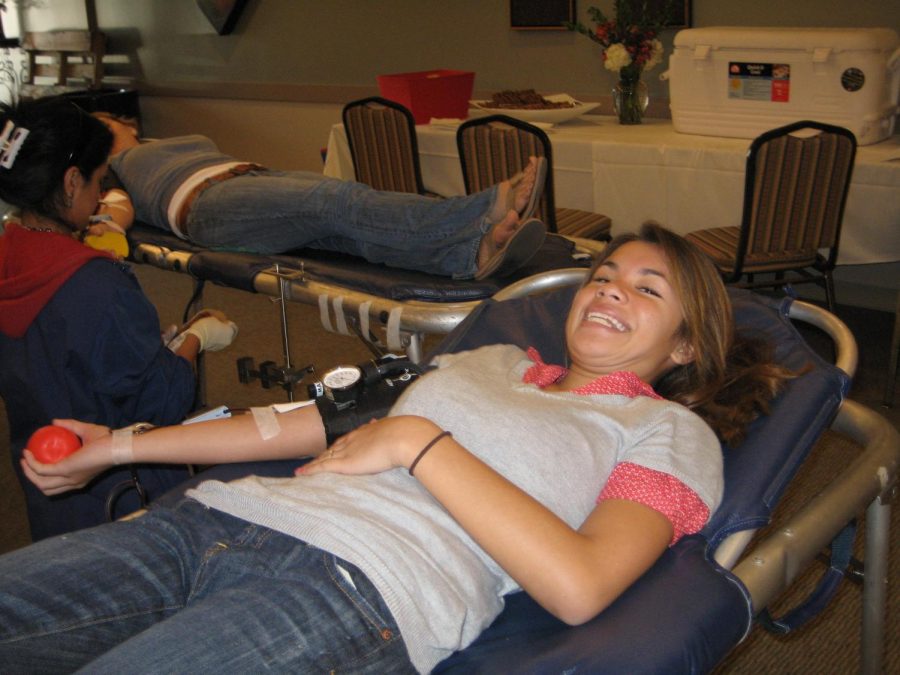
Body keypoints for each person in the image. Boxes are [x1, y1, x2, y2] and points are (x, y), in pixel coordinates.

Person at [2, 224, 792, 673]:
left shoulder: (668, 432)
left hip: (358, 587)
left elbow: (581, 583)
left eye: (648, 289)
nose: (610, 287)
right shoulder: (492, 361)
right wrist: (120, 447)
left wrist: (421, 442)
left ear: (687, 345)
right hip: (211, 522)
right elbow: (304, 419)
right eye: (604, 273)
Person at [0, 97, 239, 540]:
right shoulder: (96, 284)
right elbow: (160, 401)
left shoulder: (10, 257)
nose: (97, 200)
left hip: (48, 483)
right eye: (96, 184)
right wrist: (195, 337)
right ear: (71, 182)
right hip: (119, 491)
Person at [96, 112, 550, 281]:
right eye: (105, 121)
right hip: (207, 207)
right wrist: (109, 227)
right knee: (338, 200)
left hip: (247, 180)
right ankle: (479, 211)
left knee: (348, 231)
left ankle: (471, 255)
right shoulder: (112, 169)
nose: (115, 121)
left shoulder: (160, 144)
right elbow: (114, 209)